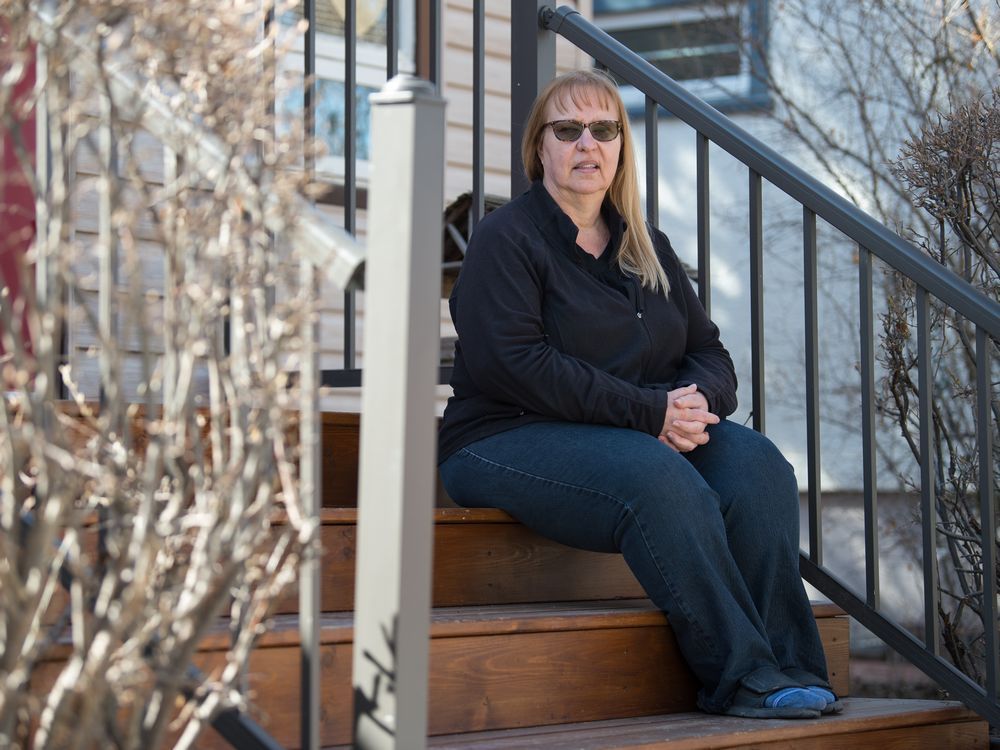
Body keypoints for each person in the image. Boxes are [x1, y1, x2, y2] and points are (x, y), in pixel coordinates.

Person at [437, 69, 840, 720]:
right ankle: (742, 678)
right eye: (567, 130)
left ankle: (792, 666)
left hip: (633, 430)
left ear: (622, 146)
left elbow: (708, 354)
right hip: (500, 436)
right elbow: (519, 365)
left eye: (603, 130)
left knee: (756, 465)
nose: (586, 144)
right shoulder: (505, 239)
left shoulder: (646, 248)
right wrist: (650, 413)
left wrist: (689, 408)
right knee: (654, 476)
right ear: (540, 147)